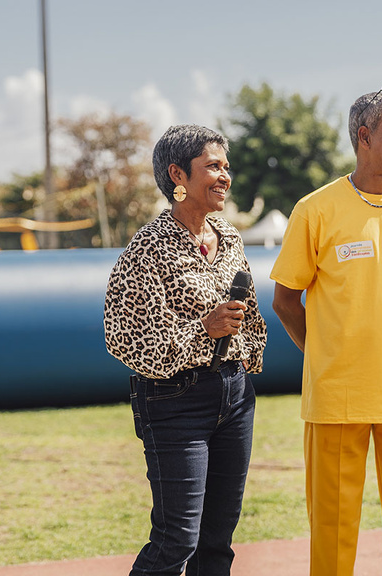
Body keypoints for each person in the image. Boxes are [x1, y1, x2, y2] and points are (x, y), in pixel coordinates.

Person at [270, 85, 382, 575]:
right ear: (364, 136)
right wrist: (326, 354)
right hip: (338, 399)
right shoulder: (315, 210)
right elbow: (285, 300)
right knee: (332, 537)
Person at [104, 124, 267, 576]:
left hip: (234, 396)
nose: (225, 176)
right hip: (175, 402)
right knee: (177, 539)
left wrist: (243, 355)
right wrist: (204, 331)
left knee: (218, 541)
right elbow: (125, 338)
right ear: (178, 174)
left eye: (226, 167)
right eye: (213, 166)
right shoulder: (147, 249)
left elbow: (250, 314)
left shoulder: (229, 237)